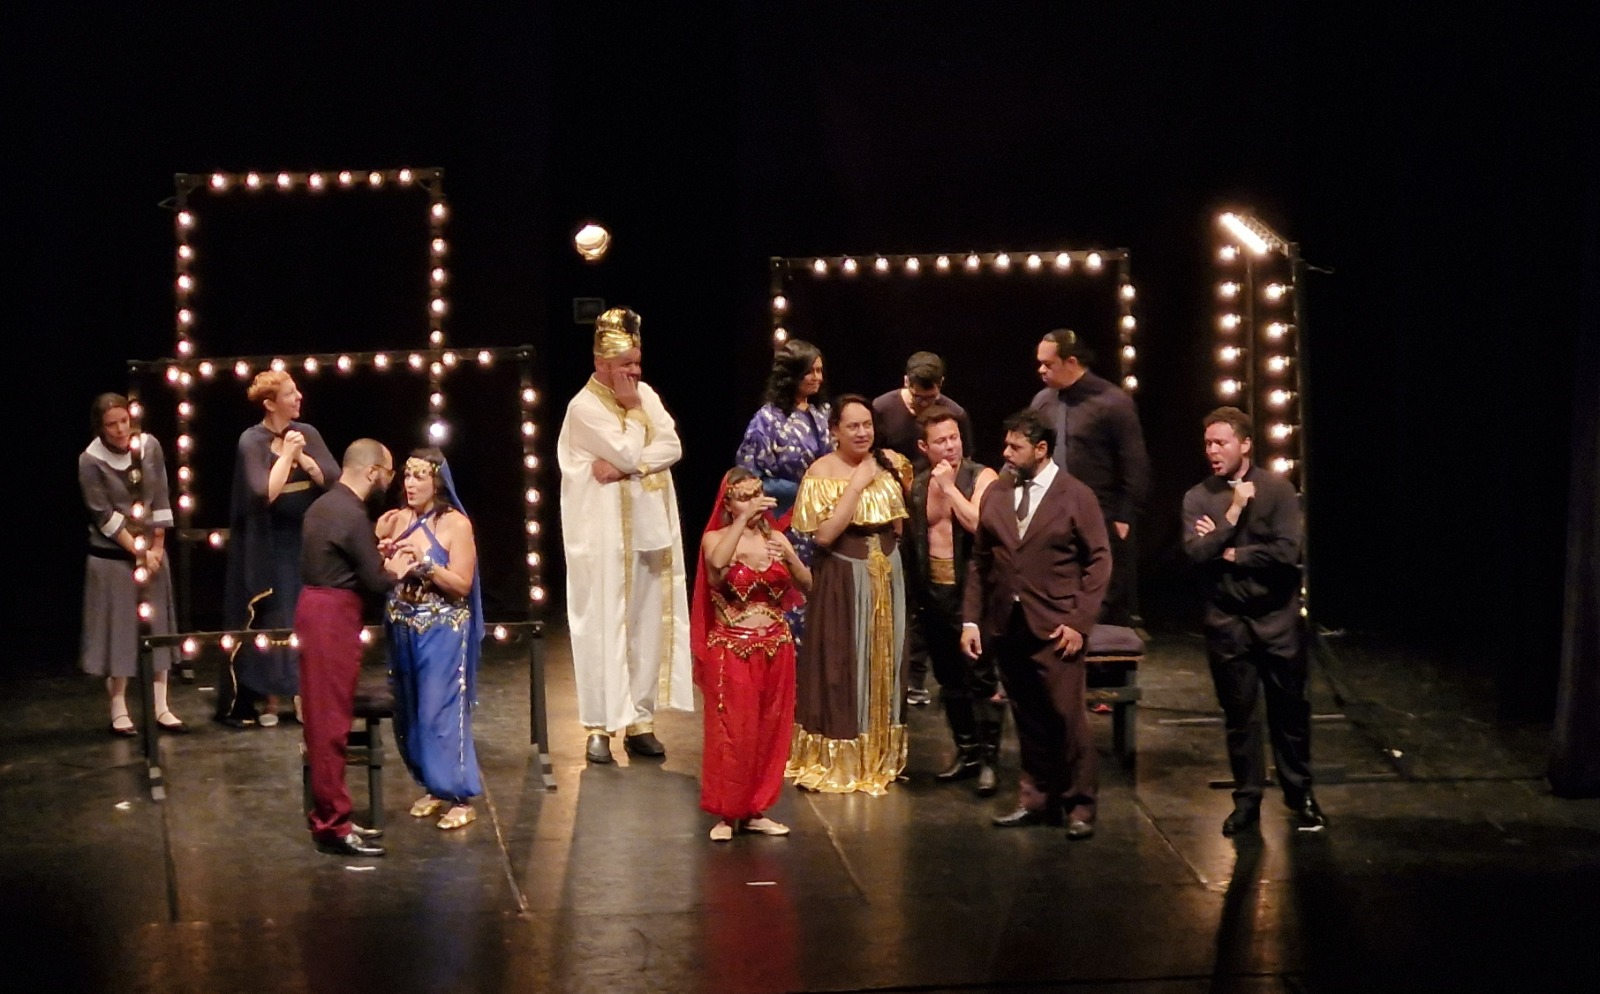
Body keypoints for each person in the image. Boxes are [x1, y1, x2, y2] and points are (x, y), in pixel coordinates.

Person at [961, 409, 1110, 839]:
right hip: (1008, 624)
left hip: (1057, 626)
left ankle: (1080, 805)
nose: (1006, 453)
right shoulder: (997, 492)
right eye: (1006, 444)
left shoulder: (1075, 495)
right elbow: (980, 561)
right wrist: (971, 620)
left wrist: (1079, 622)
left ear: (1041, 449)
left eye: (1016, 446)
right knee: (1026, 715)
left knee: (1067, 717)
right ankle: (1036, 798)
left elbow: (1099, 560)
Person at [557, 307, 694, 765]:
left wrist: (625, 467)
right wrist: (634, 426)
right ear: (601, 363)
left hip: (647, 529)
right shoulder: (583, 408)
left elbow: (671, 445)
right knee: (602, 625)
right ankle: (599, 725)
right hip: (603, 539)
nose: (634, 372)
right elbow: (629, 448)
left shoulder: (644, 394)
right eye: (625, 365)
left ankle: (640, 721)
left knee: (645, 625)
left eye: (637, 363)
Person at [1181, 407, 1325, 836]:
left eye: (1221, 442)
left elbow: (1286, 552)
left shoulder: (1278, 490)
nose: (1212, 451)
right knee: (1239, 717)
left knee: (1289, 712)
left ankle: (1300, 794)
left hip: (1277, 619)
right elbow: (1196, 553)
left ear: (1245, 444)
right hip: (1227, 623)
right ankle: (1247, 802)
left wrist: (1232, 552)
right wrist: (1232, 514)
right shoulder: (1198, 497)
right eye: (1208, 443)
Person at [787, 395, 913, 794]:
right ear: (835, 431)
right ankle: (842, 757)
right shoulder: (822, 472)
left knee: (887, 660)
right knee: (843, 662)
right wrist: (856, 486)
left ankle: (880, 755)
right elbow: (824, 535)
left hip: (886, 575)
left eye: (867, 425)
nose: (862, 433)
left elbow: (898, 524)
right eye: (853, 426)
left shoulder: (889, 465)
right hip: (843, 575)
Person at [297, 439, 414, 858]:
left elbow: (349, 559)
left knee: (328, 717)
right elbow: (377, 580)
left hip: (320, 612)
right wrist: (396, 569)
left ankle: (332, 816)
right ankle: (332, 824)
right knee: (330, 723)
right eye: (388, 471)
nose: (390, 480)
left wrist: (374, 555)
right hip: (331, 618)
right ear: (371, 472)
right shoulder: (349, 512)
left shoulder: (325, 506)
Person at [692, 468, 812, 841]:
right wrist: (742, 521)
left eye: (756, 494)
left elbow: (808, 584)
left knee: (768, 730)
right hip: (732, 649)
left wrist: (789, 556)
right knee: (732, 732)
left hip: (777, 647)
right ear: (728, 503)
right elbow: (716, 567)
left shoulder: (776, 539)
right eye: (743, 497)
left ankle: (756, 808)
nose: (753, 502)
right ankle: (726, 813)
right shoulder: (715, 539)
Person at [219, 371, 340, 728]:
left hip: (306, 542)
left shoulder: (308, 433)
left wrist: (306, 459)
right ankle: (271, 698)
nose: (298, 396)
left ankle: (304, 694)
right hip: (270, 545)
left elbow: (333, 479)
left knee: (307, 618)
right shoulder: (251, 440)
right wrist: (287, 455)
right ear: (270, 404)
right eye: (290, 393)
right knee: (276, 619)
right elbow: (263, 493)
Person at [375, 449, 484, 831]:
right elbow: (384, 570)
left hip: (442, 629)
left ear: (436, 482)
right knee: (409, 709)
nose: (410, 484)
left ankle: (459, 795)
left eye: (419, 477)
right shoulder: (397, 519)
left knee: (438, 710)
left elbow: (462, 584)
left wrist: (427, 564)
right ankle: (432, 785)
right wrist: (384, 553)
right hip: (401, 625)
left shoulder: (456, 525)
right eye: (407, 476)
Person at [903, 408, 1001, 793]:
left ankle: (990, 760)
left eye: (954, 437)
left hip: (973, 593)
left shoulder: (982, 477)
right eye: (941, 441)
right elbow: (913, 541)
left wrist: (949, 488)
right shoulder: (917, 486)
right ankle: (967, 751)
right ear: (924, 447)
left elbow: (978, 525)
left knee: (979, 676)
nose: (950, 446)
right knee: (948, 678)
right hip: (934, 592)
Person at [78, 394, 187, 735]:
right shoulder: (90, 460)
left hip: (152, 553)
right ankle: (119, 707)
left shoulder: (149, 447)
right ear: (100, 427)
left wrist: (156, 548)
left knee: (158, 629)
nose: (120, 429)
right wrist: (138, 551)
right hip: (113, 557)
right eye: (111, 425)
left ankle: (161, 706)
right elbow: (104, 515)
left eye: (124, 421)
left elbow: (161, 497)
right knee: (119, 633)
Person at [1030, 329, 1150, 627]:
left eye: (1048, 364)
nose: (1041, 370)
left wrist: (1123, 517)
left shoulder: (1112, 402)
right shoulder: (1043, 402)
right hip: (1053, 517)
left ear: (1071, 362)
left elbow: (1134, 464)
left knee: (1103, 602)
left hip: (1101, 516)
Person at [734, 339, 831, 522]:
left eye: (819, 371)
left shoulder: (824, 413)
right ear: (792, 375)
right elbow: (749, 477)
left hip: (826, 513)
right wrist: (801, 490)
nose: (818, 378)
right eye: (810, 372)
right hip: (784, 516)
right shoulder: (767, 419)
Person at [872, 351, 975, 472]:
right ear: (906, 382)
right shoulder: (882, 408)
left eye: (931, 397)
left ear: (941, 382)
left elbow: (965, 463)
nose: (924, 403)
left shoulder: (954, 413)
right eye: (917, 397)